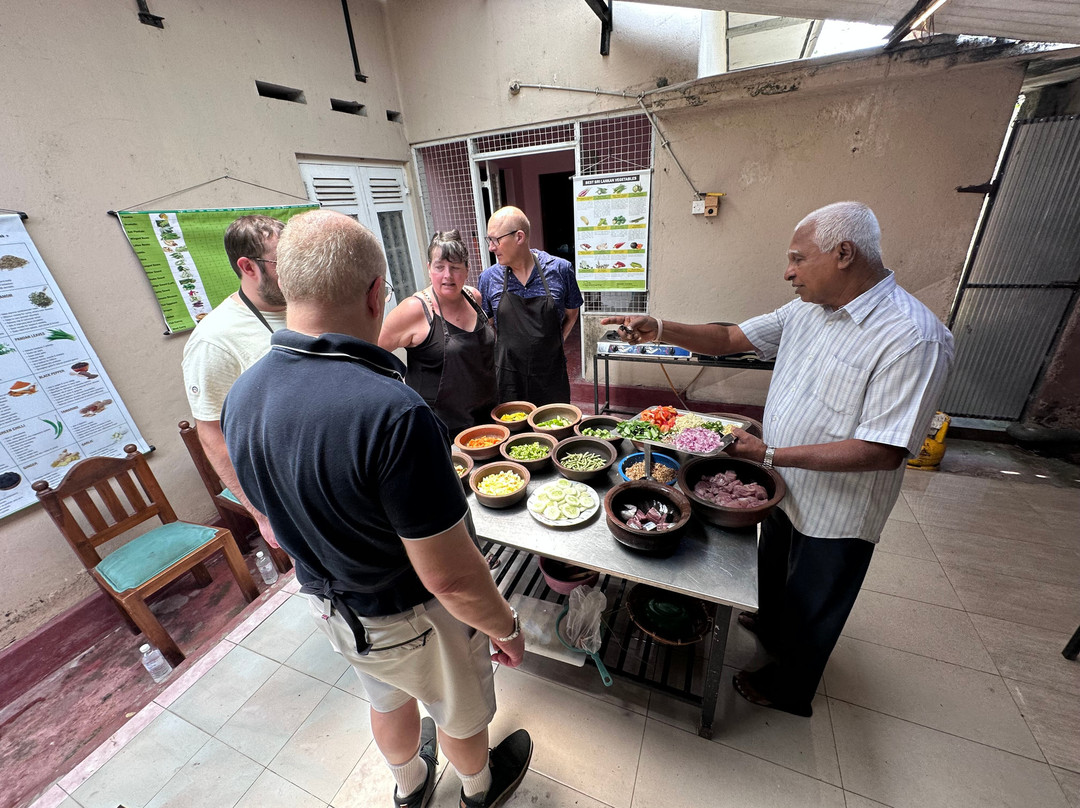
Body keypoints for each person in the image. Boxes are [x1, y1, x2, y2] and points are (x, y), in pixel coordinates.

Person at [221, 210, 532, 808]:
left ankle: (410, 788)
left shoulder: (245, 393)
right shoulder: (392, 411)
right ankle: (478, 789)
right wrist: (507, 627)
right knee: (459, 713)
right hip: (413, 612)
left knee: (387, 699)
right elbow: (449, 575)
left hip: (336, 609)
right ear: (374, 293)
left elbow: (271, 505)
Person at [603, 201, 954, 717]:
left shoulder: (912, 337)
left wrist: (768, 452)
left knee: (817, 599)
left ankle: (790, 690)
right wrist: (659, 326)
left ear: (843, 254)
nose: (787, 272)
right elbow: (727, 339)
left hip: (839, 508)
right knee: (773, 571)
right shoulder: (807, 309)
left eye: (797, 259)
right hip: (779, 486)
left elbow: (883, 449)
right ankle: (770, 624)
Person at [181, 214, 286, 549]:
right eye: (283, 262)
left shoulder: (303, 303)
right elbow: (211, 433)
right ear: (248, 266)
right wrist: (260, 513)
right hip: (283, 488)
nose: (297, 270)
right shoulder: (214, 340)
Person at [378, 230, 497, 438]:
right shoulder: (414, 310)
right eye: (439, 267)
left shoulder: (474, 298)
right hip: (440, 432)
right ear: (429, 268)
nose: (447, 275)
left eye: (455, 267)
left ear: (467, 269)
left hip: (488, 419)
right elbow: (370, 354)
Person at [478, 206, 583, 405]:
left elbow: (572, 312)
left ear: (519, 237)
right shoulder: (488, 278)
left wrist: (557, 340)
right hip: (509, 378)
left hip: (551, 374)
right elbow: (489, 324)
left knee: (554, 428)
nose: (491, 247)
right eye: (489, 240)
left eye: (495, 239)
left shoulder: (560, 270)